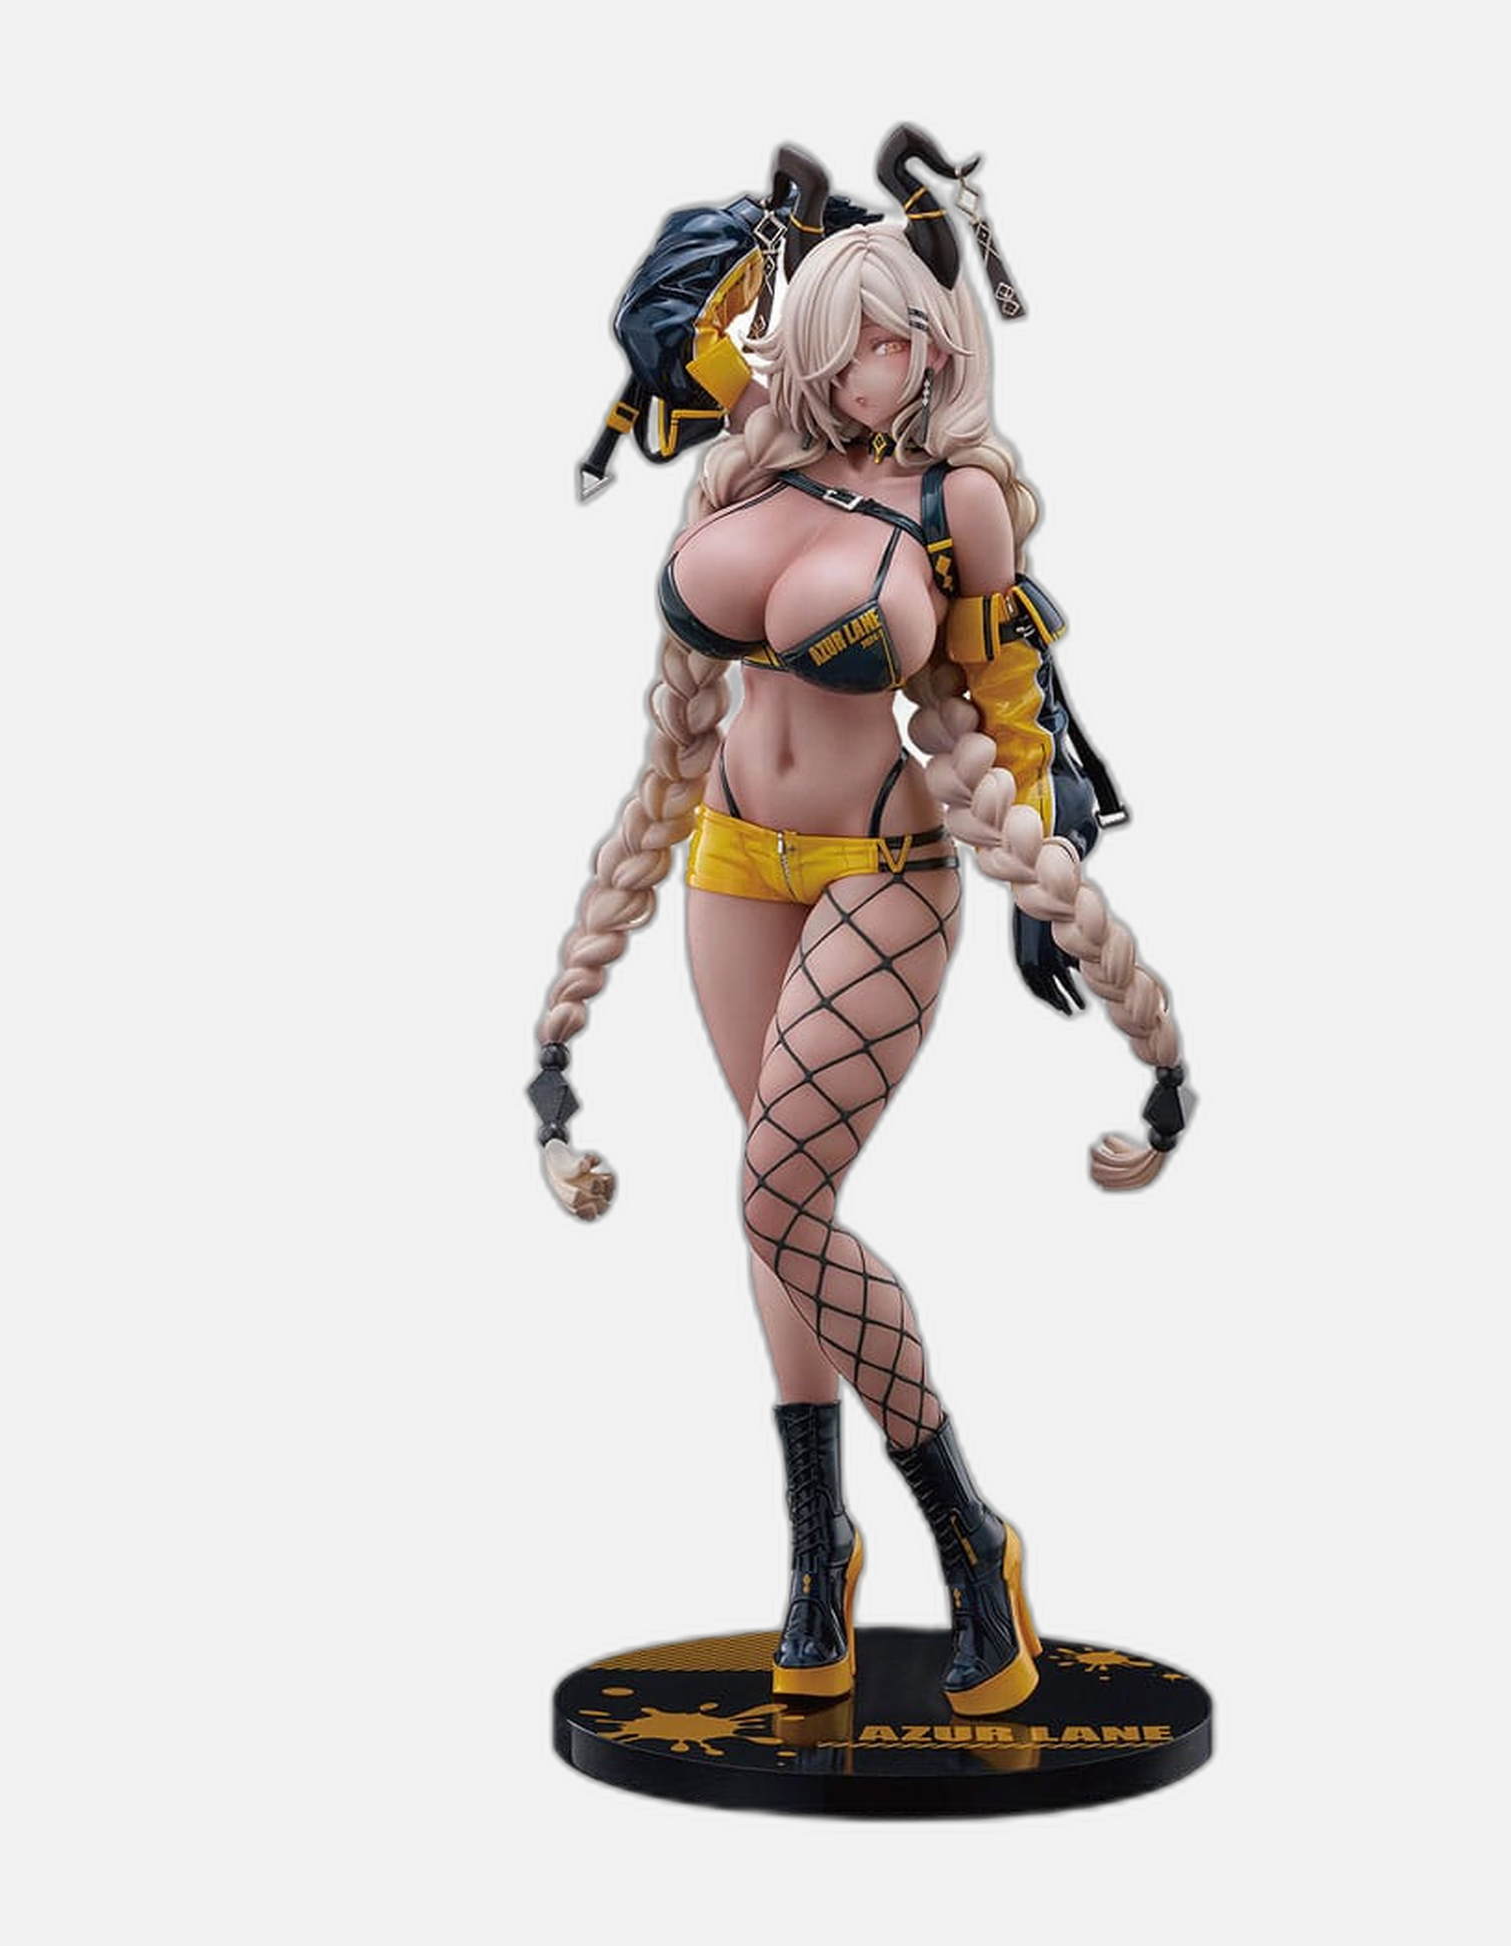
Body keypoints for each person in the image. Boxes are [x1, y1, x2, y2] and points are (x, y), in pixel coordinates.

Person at [531, 129, 1193, 1718]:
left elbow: (1005, 692)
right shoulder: (761, 437)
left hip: (878, 868)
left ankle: (969, 1537)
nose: (847, 373)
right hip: (727, 858)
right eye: (828, 345)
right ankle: (814, 1555)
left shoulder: (961, 501)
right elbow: (681, 337)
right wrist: (770, 237)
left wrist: (1042, 862)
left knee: (775, 1200)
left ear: (936, 346)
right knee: (786, 1210)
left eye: (879, 342)